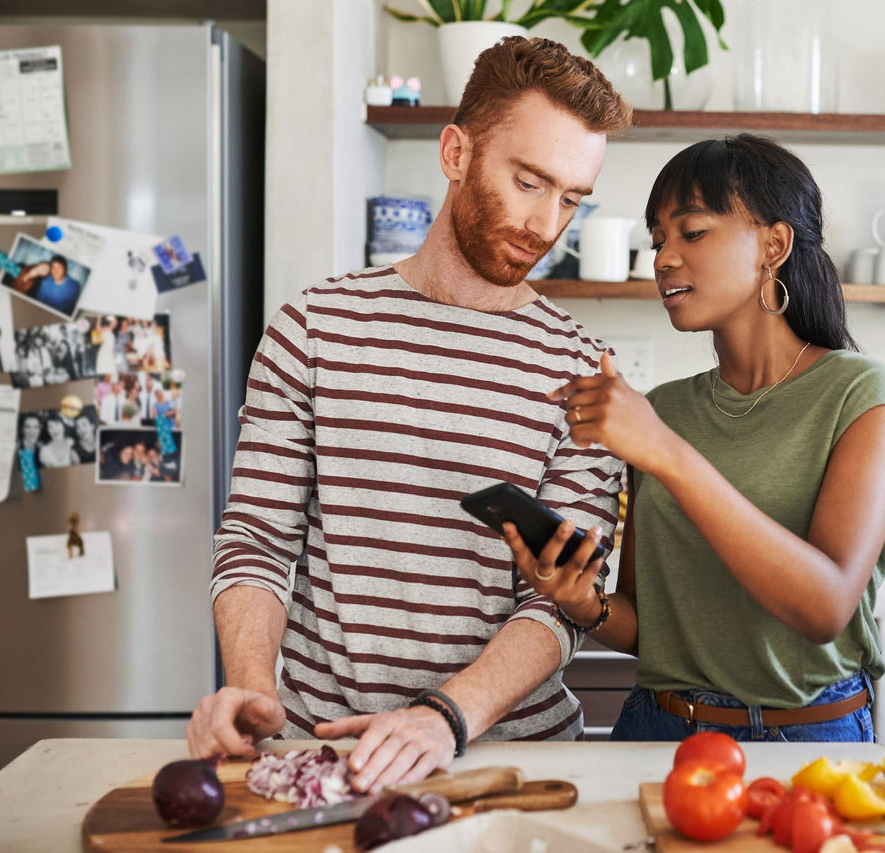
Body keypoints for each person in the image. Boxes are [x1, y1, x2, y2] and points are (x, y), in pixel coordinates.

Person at [188, 36, 632, 791]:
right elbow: (257, 540)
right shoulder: (314, 328)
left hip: (509, 764)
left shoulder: (582, 372)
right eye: (528, 181)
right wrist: (254, 687)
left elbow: (560, 602)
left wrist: (444, 715)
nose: (545, 224)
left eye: (570, 198)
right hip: (321, 754)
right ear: (456, 152)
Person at [510, 135, 885, 743]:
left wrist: (667, 453)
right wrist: (582, 603)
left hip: (805, 741)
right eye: (657, 241)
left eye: (691, 232)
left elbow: (825, 607)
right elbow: (648, 627)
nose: (664, 259)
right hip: (658, 728)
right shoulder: (665, 409)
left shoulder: (861, 393)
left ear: (773, 246)